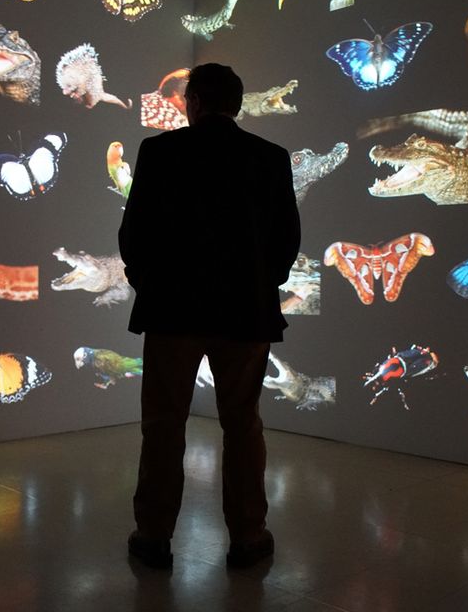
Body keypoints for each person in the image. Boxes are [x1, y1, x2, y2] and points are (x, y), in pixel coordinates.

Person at [118, 63, 301, 569]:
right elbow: (287, 238)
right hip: (246, 314)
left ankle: (153, 536)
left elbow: (133, 235)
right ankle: (248, 536)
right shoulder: (270, 158)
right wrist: (263, 284)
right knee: (243, 425)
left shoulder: (159, 153)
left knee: (163, 425)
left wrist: (149, 284)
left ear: (193, 101)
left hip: (172, 312)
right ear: (237, 105)